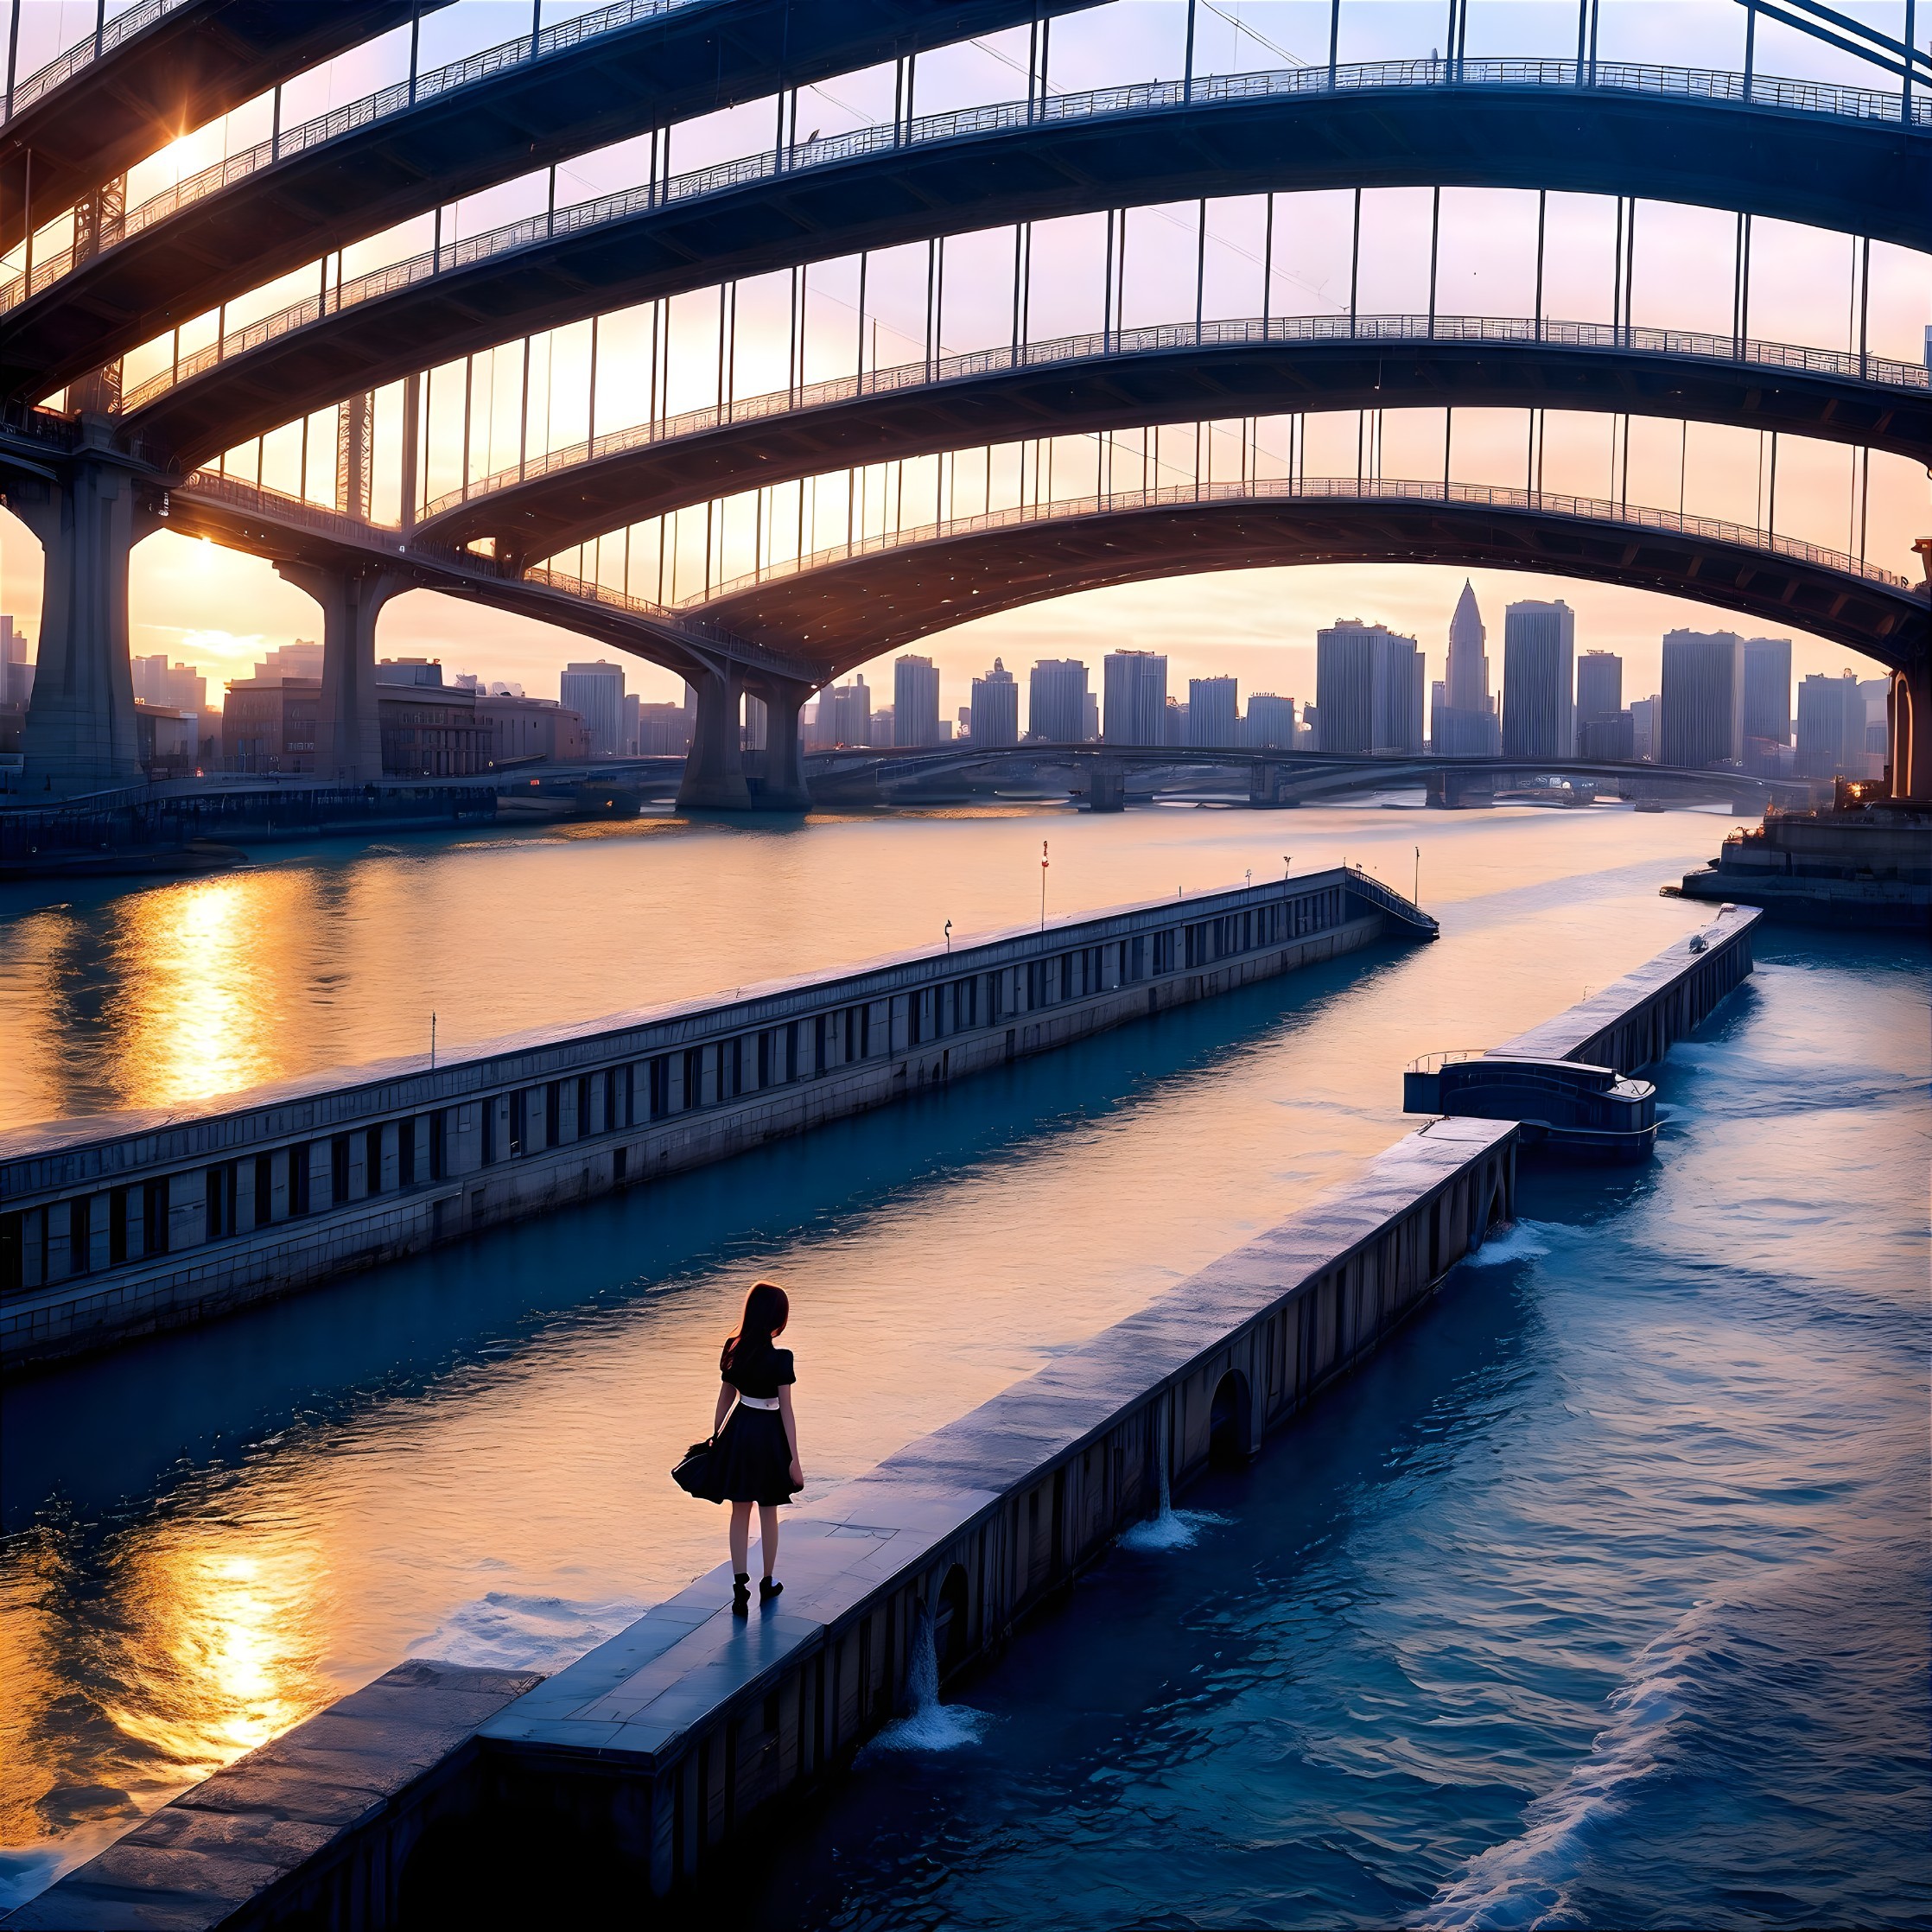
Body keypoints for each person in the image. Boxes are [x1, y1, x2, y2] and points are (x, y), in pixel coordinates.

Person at [693, 1281, 803, 1614]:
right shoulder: (782, 1358)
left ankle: (739, 1586)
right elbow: (785, 1409)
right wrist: (794, 1459)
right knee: (769, 1509)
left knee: (739, 1510)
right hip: (768, 1434)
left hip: (739, 1430)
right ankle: (767, 1581)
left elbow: (726, 1397)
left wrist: (715, 1435)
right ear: (776, 1318)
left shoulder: (733, 1347)